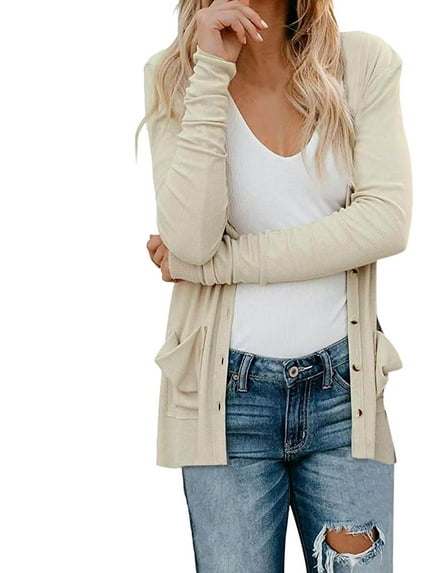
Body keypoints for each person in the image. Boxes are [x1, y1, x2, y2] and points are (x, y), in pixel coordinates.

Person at [136, 0, 412, 571]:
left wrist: (220, 267)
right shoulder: (175, 76)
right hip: (225, 405)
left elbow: (386, 220)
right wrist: (212, 69)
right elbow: (190, 240)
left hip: (344, 397)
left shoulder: (362, 63)